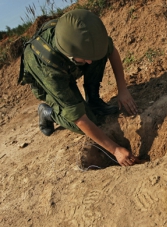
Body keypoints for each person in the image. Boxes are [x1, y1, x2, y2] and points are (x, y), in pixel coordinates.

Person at [20, 9, 138, 166]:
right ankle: (48, 113)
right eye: (85, 58)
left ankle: (94, 100)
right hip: (48, 79)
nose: (90, 62)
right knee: (88, 122)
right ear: (69, 53)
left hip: (69, 64)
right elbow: (79, 119)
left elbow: (111, 51)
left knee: (96, 56)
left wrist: (123, 90)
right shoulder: (49, 71)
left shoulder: (86, 37)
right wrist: (115, 150)